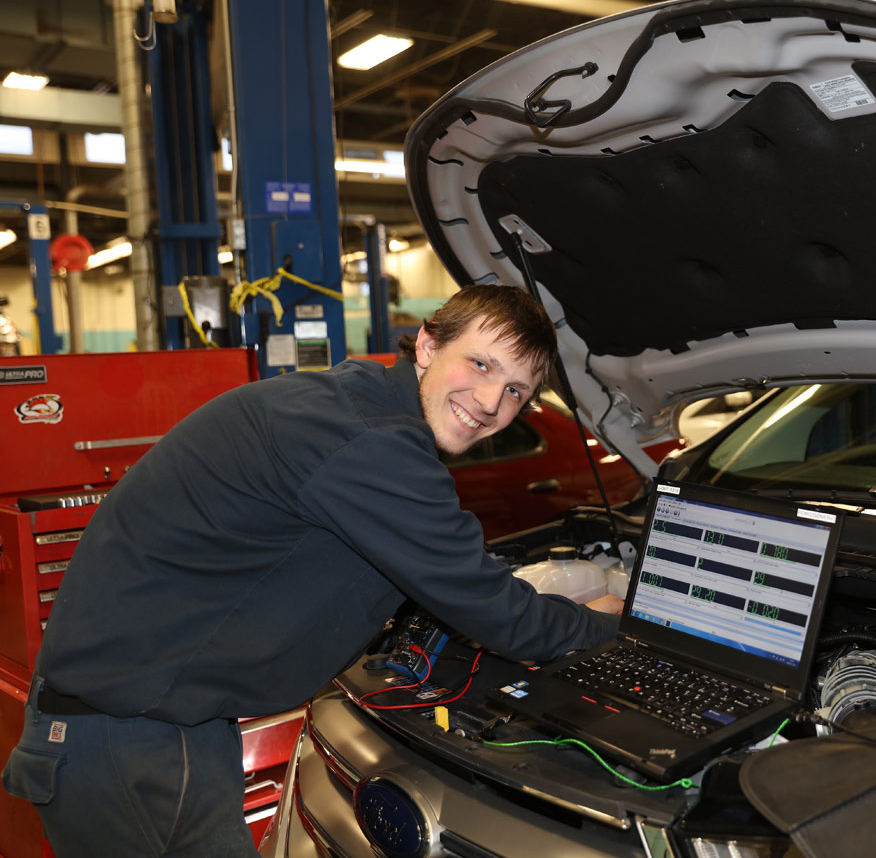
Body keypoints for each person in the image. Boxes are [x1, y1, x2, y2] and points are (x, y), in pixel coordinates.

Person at [2, 284, 621, 856]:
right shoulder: (370, 441)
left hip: (148, 725)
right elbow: (494, 610)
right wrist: (612, 630)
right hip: (130, 746)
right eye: (481, 364)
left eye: (515, 390)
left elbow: (421, 563)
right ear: (428, 345)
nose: (491, 402)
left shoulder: (350, 402)